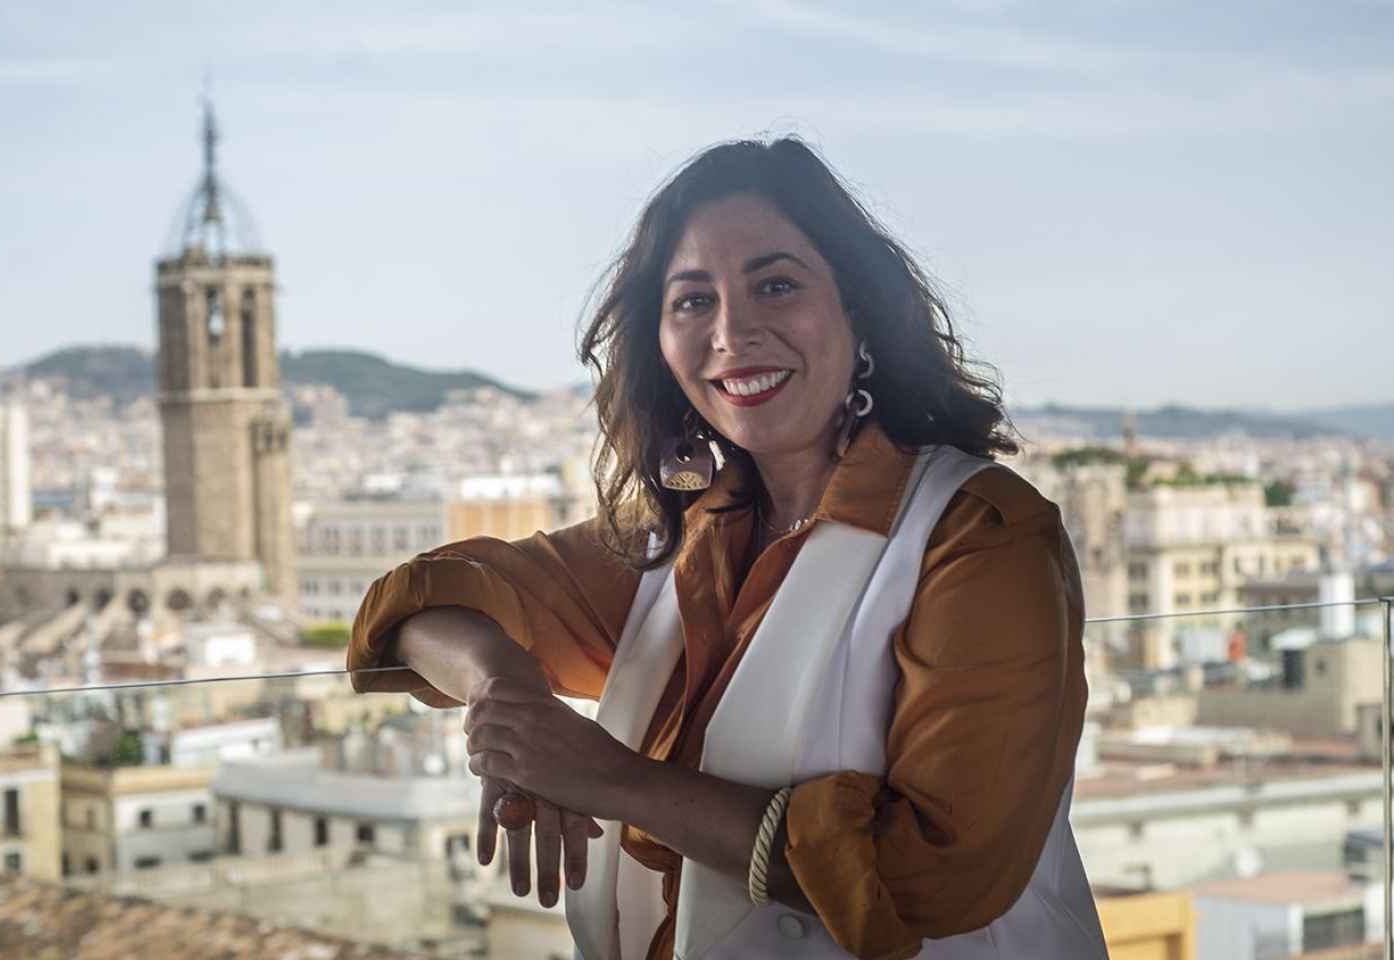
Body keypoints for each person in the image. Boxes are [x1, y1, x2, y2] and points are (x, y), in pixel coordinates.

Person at [346, 138, 1108, 959]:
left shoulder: (980, 536)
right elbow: (418, 602)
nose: (733, 331)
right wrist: (512, 701)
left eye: (775, 285)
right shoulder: (682, 538)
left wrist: (597, 774)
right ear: (660, 342)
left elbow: (932, 869)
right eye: (691, 301)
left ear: (859, 308)